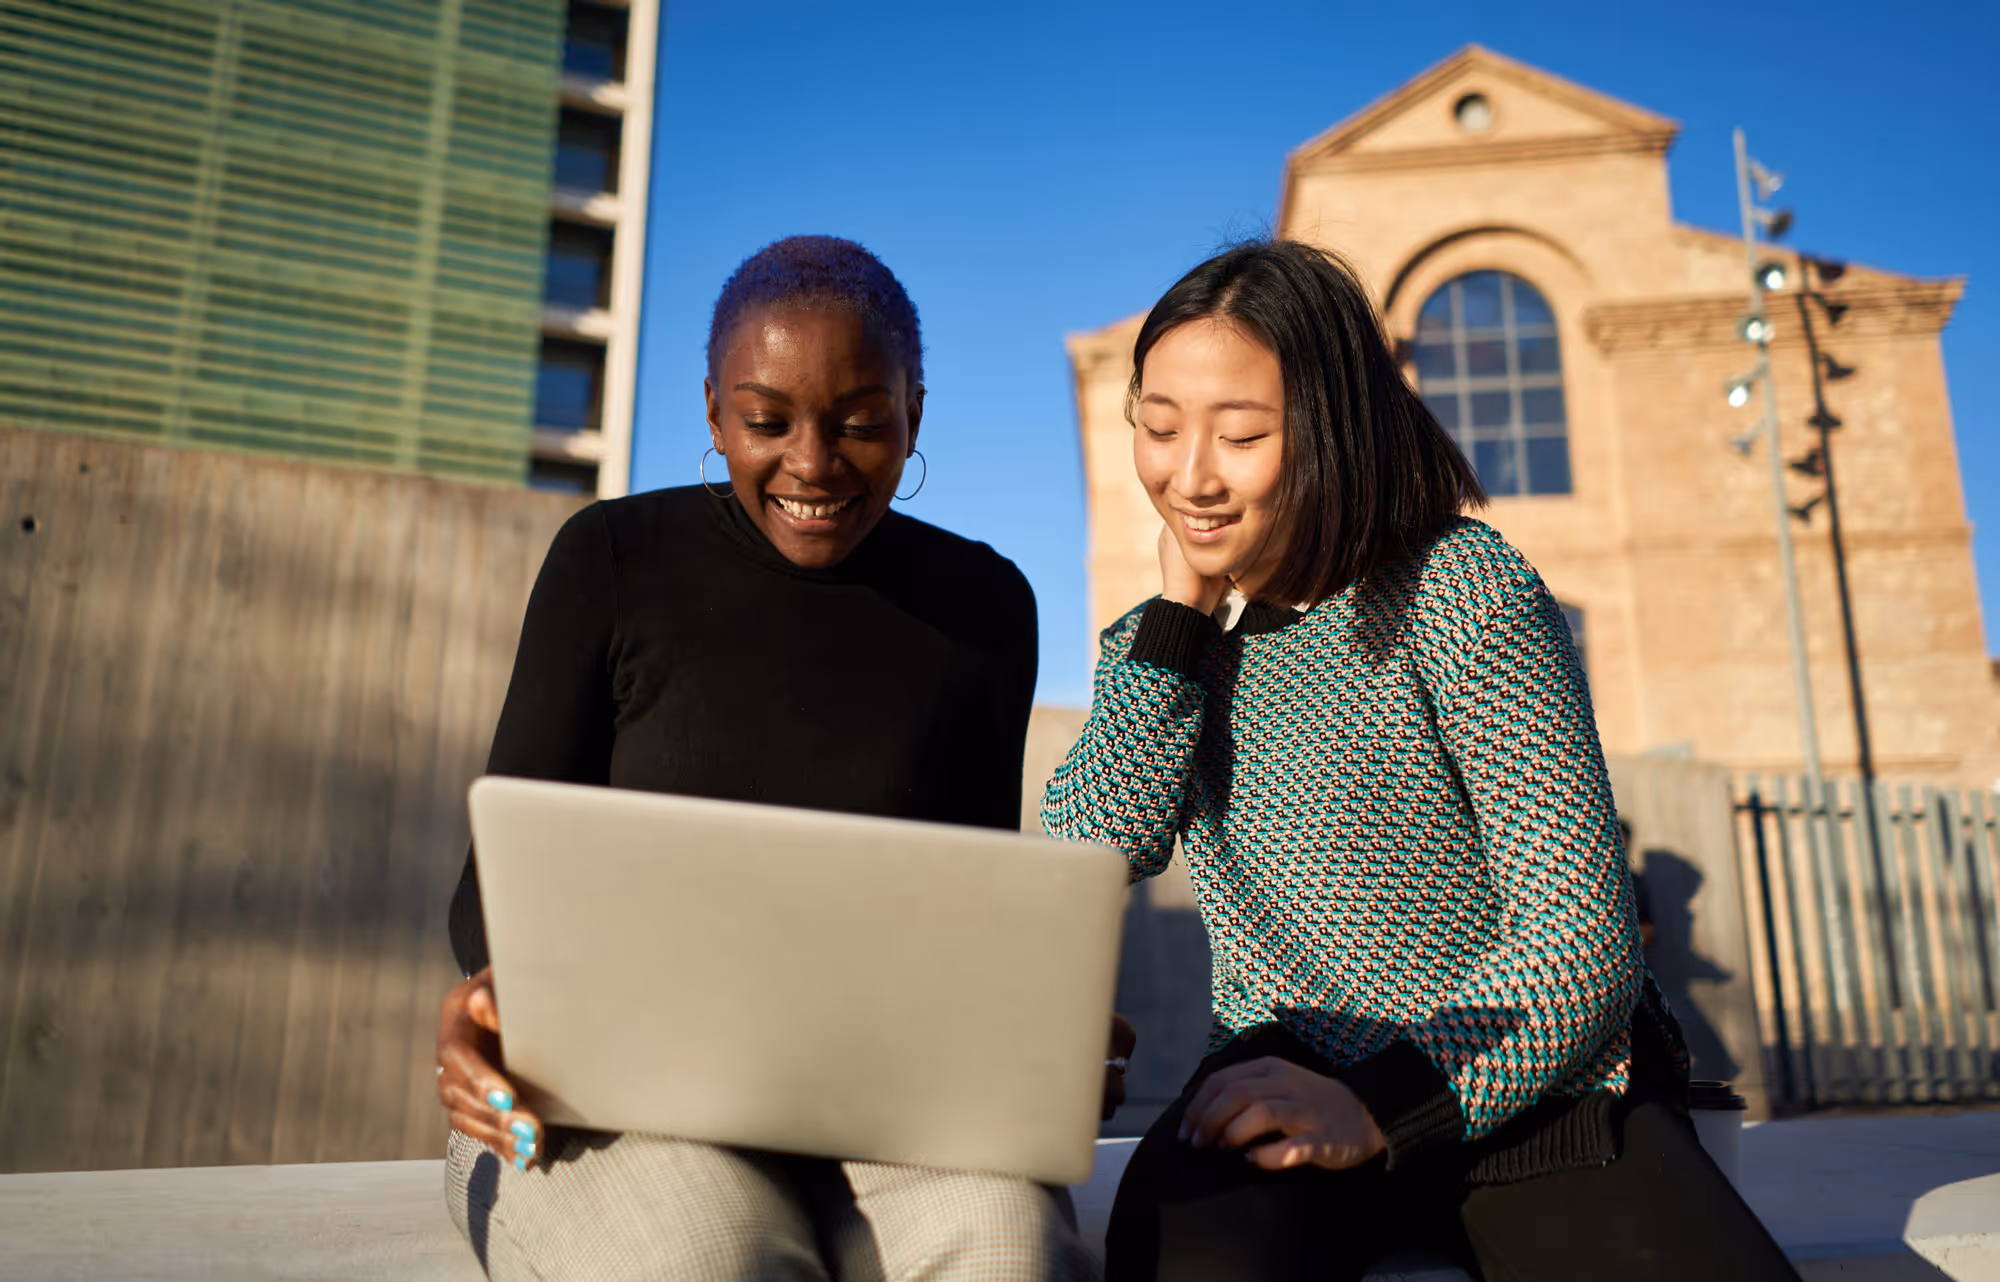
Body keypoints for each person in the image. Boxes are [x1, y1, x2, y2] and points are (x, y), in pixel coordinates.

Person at [1041, 239, 1800, 1282]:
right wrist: (1177, 618)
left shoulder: (1459, 589)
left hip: (1533, 1084)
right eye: (1158, 428)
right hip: (1280, 1078)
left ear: (1329, 426)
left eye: (1242, 435)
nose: (1188, 478)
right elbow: (1087, 847)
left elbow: (1581, 940)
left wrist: (1378, 1106)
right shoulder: (1162, 644)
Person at [433, 236, 1120, 1282]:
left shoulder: (983, 606)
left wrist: (1035, 1031)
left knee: (1006, 1249)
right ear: (714, 411)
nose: (811, 463)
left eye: (857, 423)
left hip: (887, 1105)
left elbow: (968, 900)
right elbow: (495, 894)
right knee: (708, 1257)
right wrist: (496, 996)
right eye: (766, 422)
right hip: (620, 1096)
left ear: (913, 414)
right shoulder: (612, 561)